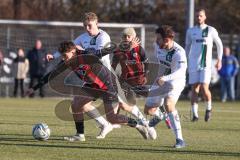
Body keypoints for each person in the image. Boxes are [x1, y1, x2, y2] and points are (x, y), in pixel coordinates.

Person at [27, 41, 149, 141]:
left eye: (65, 56)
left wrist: (127, 46)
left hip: (107, 85)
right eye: (62, 56)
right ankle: (80, 135)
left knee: (112, 118)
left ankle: (138, 125)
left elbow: (108, 50)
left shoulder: (86, 55)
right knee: (76, 104)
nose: (64, 59)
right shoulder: (66, 62)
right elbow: (51, 75)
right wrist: (34, 88)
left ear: (73, 52)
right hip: (92, 86)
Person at [144, 25, 187, 148]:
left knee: (168, 104)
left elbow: (181, 71)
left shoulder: (179, 52)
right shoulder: (157, 46)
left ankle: (180, 140)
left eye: (158, 38)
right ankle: (161, 116)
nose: (156, 41)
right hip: (160, 80)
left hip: (175, 82)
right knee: (148, 111)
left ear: (167, 39)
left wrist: (165, 78)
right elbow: (157, 61)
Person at [185, 9, 223, 122]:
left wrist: (219, 60)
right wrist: (185, 61)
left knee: (204, 88)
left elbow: (219, 45)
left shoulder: (211, 30)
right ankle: (195, 115)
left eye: (201, 16)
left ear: (205, 17)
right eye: (197, 16)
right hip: (193, 63)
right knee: (194, 89)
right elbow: (187, 47)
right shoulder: (190, 31)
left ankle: (208, 109)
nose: (198, 18)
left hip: (205, 64)